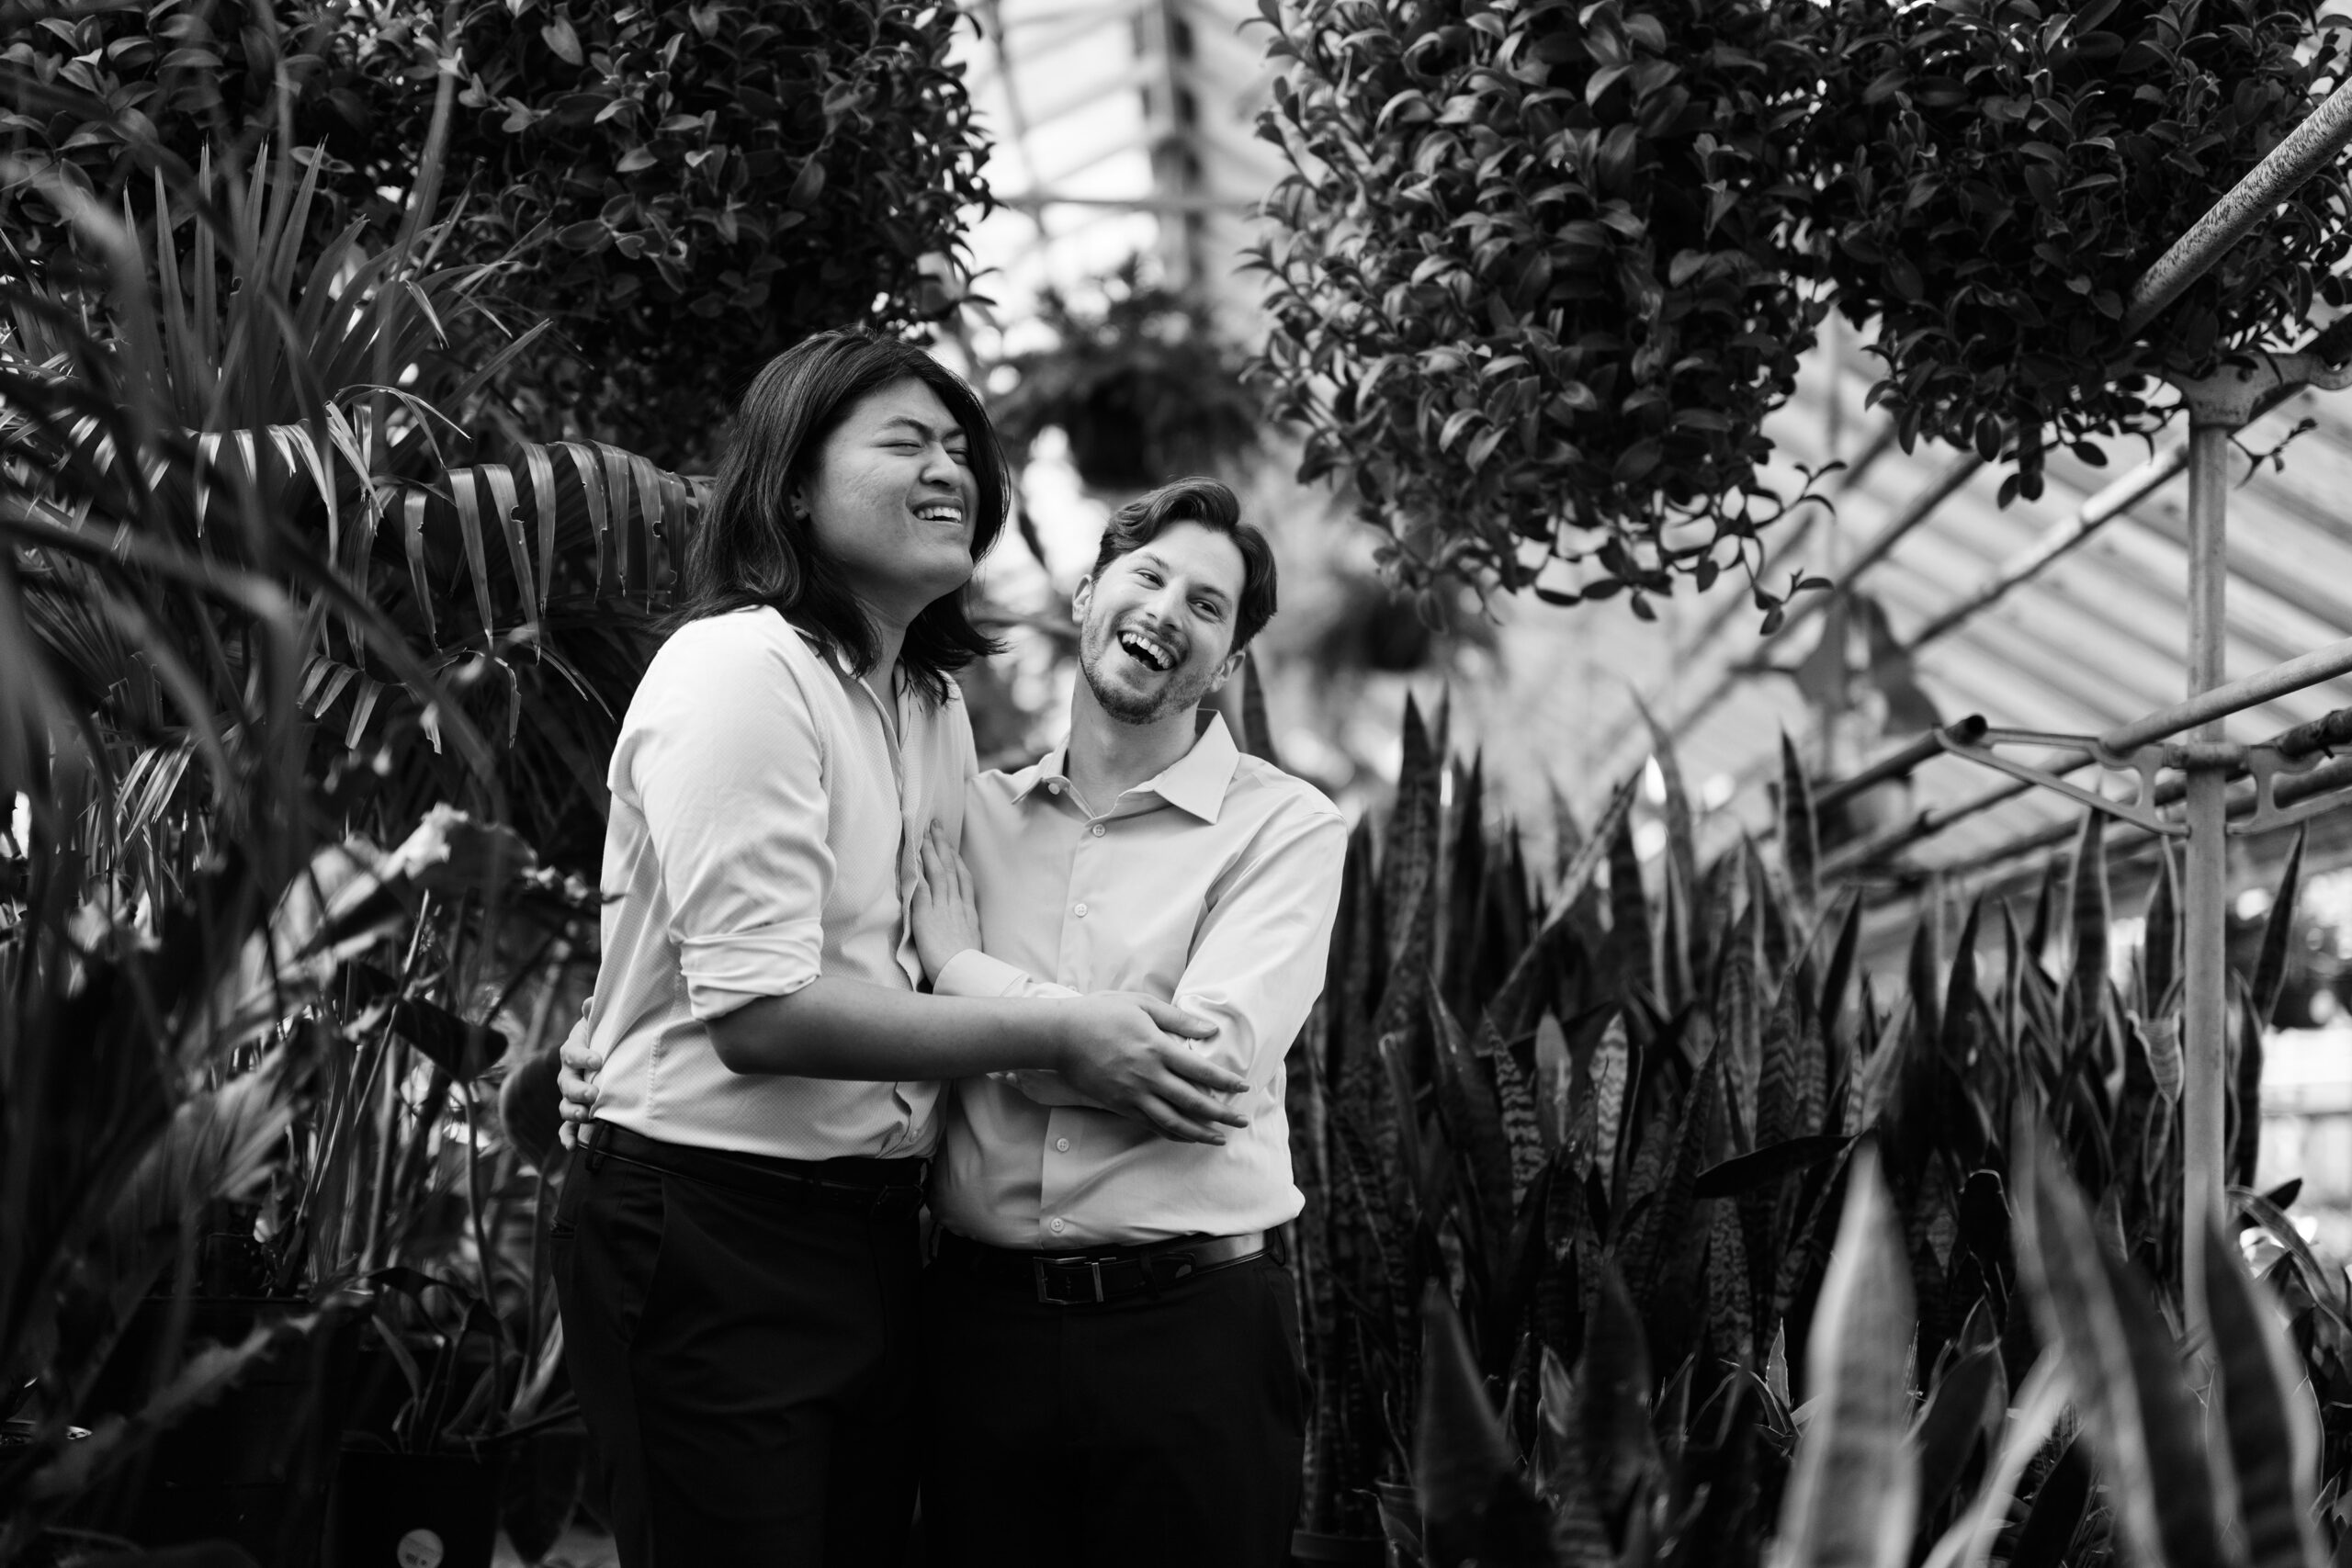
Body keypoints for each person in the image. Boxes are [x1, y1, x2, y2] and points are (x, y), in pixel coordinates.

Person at [546, 332, 1252, 1568]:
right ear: (796, 482)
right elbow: (760, 1009)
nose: (952, 471)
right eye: (905, 441)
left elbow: (922, 949)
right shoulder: (741, 669)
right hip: (715, 1221)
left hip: (876, 1234)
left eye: (960, 450)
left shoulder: (928, 705)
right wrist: (1064, 1026)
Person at [908, 478, 1348, 1568]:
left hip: (1189, 1335)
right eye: (1148, 576)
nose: (1168, 609)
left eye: (1208, 605)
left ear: (1229, 663)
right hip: (976, 1330)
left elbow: (1202, 1072)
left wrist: (962, 975)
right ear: (1086, 592)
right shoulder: (969, 820)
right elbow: (840, 999)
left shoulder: (1285, 828)